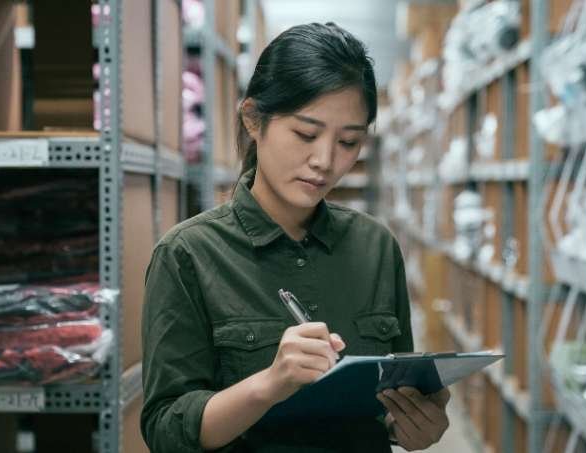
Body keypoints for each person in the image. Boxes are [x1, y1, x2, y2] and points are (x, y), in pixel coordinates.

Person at [140, 22, 450, 452]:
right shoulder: (187, 254)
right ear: (253, 119)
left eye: (348, 141)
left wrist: (412, 425)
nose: (324, 161)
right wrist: (269, 383)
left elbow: (390, 405)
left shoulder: (376, 247)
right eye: (306, 134)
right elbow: (165, 430)